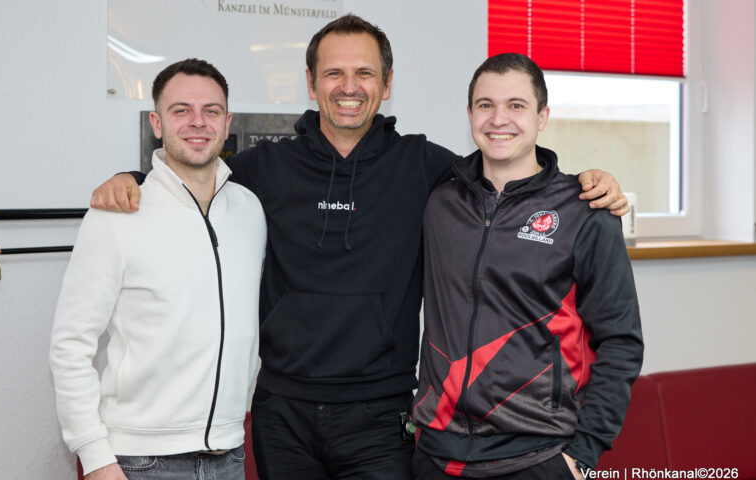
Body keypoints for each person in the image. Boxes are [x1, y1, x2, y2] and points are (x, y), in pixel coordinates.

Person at [88, 15, 628, 480]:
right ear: (311, 82)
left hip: (382, 417)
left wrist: (587, 182)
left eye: (365, 73)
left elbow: (507, 170)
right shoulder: (266, 168)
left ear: (387, 83)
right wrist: (134, 179)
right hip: (283, 413)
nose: (349, 86)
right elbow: (194, 174)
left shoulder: (427, 167)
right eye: (334, 73)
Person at [412, 53, 643, 480]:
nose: (499, 119)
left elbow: (621, 341)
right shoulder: (439, 202)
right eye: (485, 105)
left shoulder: (585, 211)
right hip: (436, 452)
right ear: (469, 114)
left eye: (516, 105)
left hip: (538, 455)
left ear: (542, 117)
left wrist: (584, 454)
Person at [49, 58, 267, 480]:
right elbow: (70, 343)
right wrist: (95, 457)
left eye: (211, 111)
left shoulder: (250, 210)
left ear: (227, 124)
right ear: (157, 123)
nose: (198, 122)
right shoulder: (116, 215)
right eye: (181, 110)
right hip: (140, 461)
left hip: (230, 454)